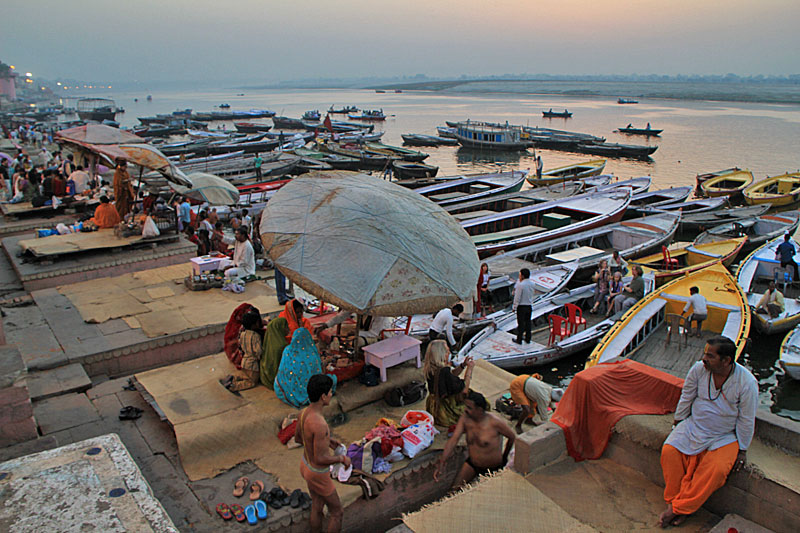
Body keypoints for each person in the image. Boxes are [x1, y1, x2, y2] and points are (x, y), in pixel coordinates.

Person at [658, 336, 757, 528]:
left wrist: (742, 449)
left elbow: (746, 419)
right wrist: (678, 422)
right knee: (669, 451)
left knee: (717, 470)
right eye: (705, 353)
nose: (704, 358)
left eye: (710, 356)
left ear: (726, 360)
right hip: (694, 425)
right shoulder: (698, 369)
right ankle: (679, 506)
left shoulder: (747, 383)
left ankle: (677, 509)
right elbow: (687, 396)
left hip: (724, 435)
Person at [295, 374, 349, 533]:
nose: (331, 395)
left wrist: (327, 441)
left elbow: (299, 438)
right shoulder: (320, 424)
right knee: (337, 512)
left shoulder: (303, 413)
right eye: (330, 392)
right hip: (317, 472)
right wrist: (341, 458)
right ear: (323, 396)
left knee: (317, 505)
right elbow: (320, 458)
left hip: (305, 465)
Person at [433, 391, 515, 489]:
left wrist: (504, 457)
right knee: (454, 490)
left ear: (479, 410)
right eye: (465, 406)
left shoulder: (495, 423)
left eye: (469, 408)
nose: (465, 410)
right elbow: (454, 439)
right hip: (473, 464)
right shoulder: (465, 419)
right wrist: (442, 461)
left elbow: (512, 437)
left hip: (493, 467)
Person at [275, 328, 336, 407]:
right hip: (310, 389)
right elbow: (318, 373)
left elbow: (282, 371)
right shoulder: (312, 353)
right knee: (332, 379)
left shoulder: (287, 350)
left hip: (285, 389)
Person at [424, 340, 472, 428]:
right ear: (441, 354)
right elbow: (464, 389)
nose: (449, 352)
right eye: (447, 351)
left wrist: (463, 365)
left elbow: (451, 375)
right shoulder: (444, 371)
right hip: (444, 409)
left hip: (433, 405)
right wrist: (470, 369)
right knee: (477, 402)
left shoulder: (430, 368)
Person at [221, 309, 263, 392]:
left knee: (245, 375)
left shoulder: (242, 334)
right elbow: (258, 351)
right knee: (251, 382)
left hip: (244, 361)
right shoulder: (255, 336)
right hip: (252, 364)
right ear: (253, 325)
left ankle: (233, 378)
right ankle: (233, 386)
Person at [260, 317, 289, 389]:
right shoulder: (282, 345)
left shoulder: (269, 339)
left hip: (266, 373)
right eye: (285, 326)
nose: (288, 328)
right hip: (276, 376)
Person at [513, 268, 535, 345]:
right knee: (528, 322)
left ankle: (519, 339)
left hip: (522, 306)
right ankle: (528, 338)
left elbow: (517, 297)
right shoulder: (532, 284)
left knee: (521, 324)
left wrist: (514, 306)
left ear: (522, 276)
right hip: (529, 305)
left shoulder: (520, 285)